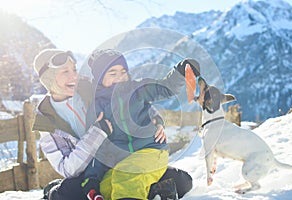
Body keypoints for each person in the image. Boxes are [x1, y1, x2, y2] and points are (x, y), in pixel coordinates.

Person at [32, 49, 194, 200]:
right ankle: (55, 191)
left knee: (182, 180)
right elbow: (68, 169)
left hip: (123, 159)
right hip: (89, 171)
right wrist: (97, 134)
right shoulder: (46, 121)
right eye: (65, 72)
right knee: (69, 192)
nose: (74, 76)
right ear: (49, 78)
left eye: (74, 69)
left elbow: (134, 103)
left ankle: (144, 191)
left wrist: (157, 122)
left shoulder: (92, 88)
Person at [82, 49, 200, 200]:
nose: (119, 77)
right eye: (112, 73)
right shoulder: (96, 109)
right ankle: (157, 192)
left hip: (151, 150)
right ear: (99, 78)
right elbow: (99, 148)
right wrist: (91, 180)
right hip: (123, 160)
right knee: (108, 187)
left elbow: (165, 87)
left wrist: (181, 71)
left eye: (123, 71)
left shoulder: (136, 89)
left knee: (126, 178)